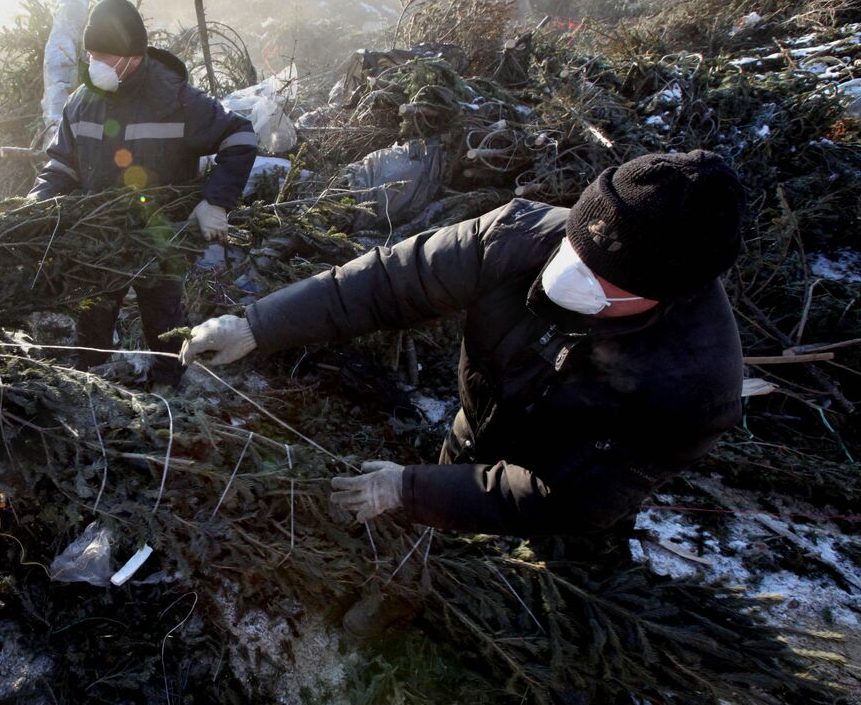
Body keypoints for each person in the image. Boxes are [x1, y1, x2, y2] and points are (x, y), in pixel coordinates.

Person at [180, 150, 746, 536]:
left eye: (598, 275)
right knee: (444, 538)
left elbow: (566, 499)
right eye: (575, 247)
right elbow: (389, 281)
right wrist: (257, 324)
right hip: (473, 429)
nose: (565, 272)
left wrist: (411, 488)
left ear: (657, 294)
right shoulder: (520, 236)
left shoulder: (693, 387)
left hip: (559, 497)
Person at [28, 0, 258, 388]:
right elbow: (63, 165)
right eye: (90, 54)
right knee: (93, 320)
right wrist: (37, 202)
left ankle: (171, 393)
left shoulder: (177, 100)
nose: (93, 63)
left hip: (159, 240)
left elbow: (240, 134)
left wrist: (215, 201)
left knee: (164, 324)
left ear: (131, 56)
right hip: (99, 241)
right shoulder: (81, 104)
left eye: (102, 55)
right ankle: (94, 388)